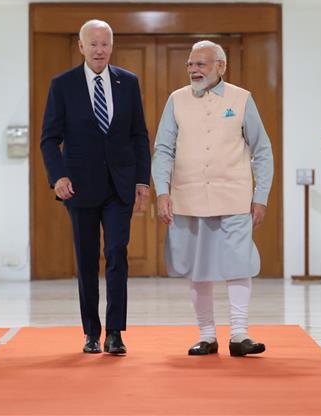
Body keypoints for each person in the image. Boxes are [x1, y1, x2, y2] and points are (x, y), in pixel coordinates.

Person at [152, 40, 273, 356]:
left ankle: (240, 335)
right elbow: (163, 149)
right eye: (190, 64)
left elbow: (262, 150)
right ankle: (206, 335)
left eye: (201, 64)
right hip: (188, 198)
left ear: (221, 66)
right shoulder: (176, 100)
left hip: (234, 196)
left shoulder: (241, 99)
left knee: (238, 264)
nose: (193, 70)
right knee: (197, 266)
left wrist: (261, 197)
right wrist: (162, 192)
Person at [40, 20, 151, 355]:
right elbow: (49, 139)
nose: (100, 50)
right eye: (94, 44)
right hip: (79, 188)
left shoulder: (127, 82)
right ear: (81, 47)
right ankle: (91, 331)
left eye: (105, 44)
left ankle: (115, 331)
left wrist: (142, 180)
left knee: (116, 253)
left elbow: (139, 135)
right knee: (87, 260)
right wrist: (57, 176)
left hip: (119, 187)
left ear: (112, 46)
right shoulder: (63, 85)